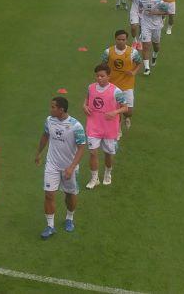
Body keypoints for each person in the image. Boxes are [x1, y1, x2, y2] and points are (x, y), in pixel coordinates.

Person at [34, 96, 86, 240]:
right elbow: (45, 136)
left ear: (61, 110)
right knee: (49, 194)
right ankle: (50, 226)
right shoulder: (49, 121)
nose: (50, 109)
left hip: (69, 167)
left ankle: (69, 217)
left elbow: (82, 147)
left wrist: (72, 167)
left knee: (70, 195)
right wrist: (39, 153)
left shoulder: (76, 126)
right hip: (52, 164)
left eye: (53, 107)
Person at [83, 64, 129, 189]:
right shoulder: (91, 88)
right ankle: (94, 178)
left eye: (102, 76)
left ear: (109, 76)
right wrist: (85, 107)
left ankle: (108, 174)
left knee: (108, 154)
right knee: (92, 153)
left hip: (109, 128)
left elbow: (125, 107)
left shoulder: (116, 91)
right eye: (97, 76)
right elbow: (86, 101)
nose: (99, 78)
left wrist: (115, 112)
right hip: (93, 126)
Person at [103, 29, 142, 129]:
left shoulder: (133, 52)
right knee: (115, 110)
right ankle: (117, 130)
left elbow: (139, 63)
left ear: (126, 40)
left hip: (127, 85)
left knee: (128, 111)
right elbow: (103, 66)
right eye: (119, 39)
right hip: (112, 85)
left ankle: (127, 118)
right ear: (115, 39)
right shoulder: (108, 52)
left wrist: (133, 72)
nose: (121, 41)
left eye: (123, 39)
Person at [137, 0, 171, 75]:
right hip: (145, 25)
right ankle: (147, 68)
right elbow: (140, 10)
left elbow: (167, 12)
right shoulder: (142, 0)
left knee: (156, 46)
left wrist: (155, 13)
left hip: (156, 25)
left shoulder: (160, 2)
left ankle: (155, 56)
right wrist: (141, 17)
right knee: (146, 45)